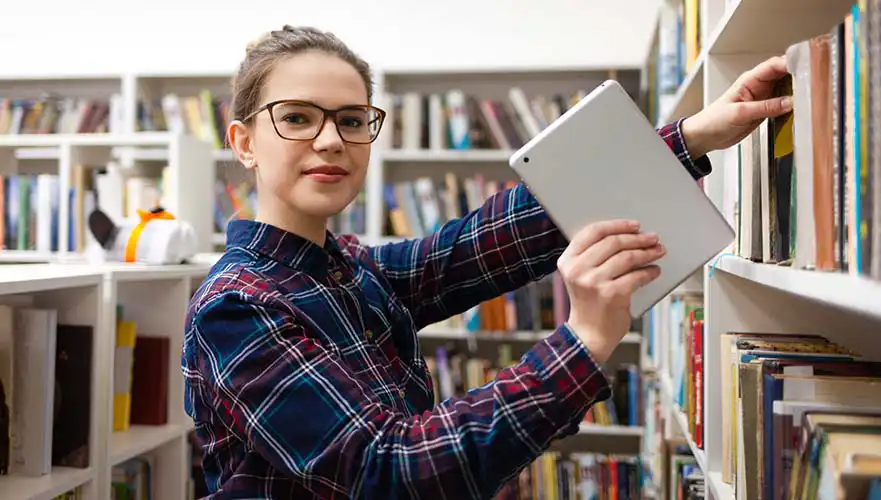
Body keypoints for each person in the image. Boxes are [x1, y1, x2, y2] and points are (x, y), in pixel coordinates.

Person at [182, 25, 792, 499]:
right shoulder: (240, 307)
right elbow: (389, 476)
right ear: (243, 143)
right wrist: (581, 340)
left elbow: (473, 248)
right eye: (295, 118)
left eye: (350, 119)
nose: (330, 140)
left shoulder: (344, 264)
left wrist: (693, 136)